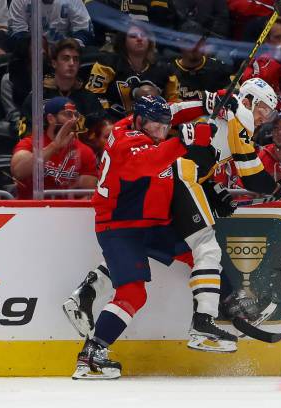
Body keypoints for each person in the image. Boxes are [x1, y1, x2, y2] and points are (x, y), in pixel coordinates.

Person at [64, 79, 281, 346]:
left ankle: (89, 290)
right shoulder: (240, 118)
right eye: (263, 108)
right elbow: (251, 177)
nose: (265, 117)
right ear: (249, 100)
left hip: (159, 191)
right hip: (172, 184)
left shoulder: (130, 126)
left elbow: (175, 118)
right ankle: (203, 321)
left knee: (170, 246)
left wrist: (213, 186)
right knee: (206, 246)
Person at [71, 95, 217, 379]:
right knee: (133, 293)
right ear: (138, 121)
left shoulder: (138, 122)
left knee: (201, 252)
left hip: (149, 224)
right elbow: (149, 163)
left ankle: (215, 313)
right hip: (119, 227)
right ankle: (92, 355)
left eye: (166, 127)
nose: (161, 132)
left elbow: (172, 111)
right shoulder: (126, 142)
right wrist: (182, 142)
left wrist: (207, 103)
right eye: (156, 126)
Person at [85, 21, 179, 120]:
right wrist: (106, 121)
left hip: (153, 126)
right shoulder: (107, 64)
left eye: (143, 35)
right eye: (133, 36)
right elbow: (92, 96)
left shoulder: (165, 69)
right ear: (123, 41)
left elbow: (174, 104)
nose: (139, 39)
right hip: (112, 123)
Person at [10, 97, 98, 199]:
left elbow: (88, 194)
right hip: (31, 210)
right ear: (51, 118)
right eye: (68, 115)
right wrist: (54, 146)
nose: (73, 120)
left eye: (75, 115)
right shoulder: (30, 143)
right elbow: (18, 172)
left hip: (68, 211)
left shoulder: (84, 150)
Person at [19, 38, 105, 138]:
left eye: (75, 59)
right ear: (54, 63)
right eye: (66, 58)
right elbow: (26, 137)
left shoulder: (89, 97)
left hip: (82, 151)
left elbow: (101, 133)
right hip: (47, 151)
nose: (71, 63)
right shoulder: (37, 97)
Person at [171, 22, 231, 101]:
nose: (196, 46)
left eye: (200, 41)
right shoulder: (169, 71)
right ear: (180, 43)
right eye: (190, 42)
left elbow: (232, 99)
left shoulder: (218, 69)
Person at [8, 0, 94, 47]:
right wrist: (36, 48)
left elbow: (84, 31)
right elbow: (17, 33)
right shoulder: (19, 1)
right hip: (32, 52)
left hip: (65, 50)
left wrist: (68, 47)